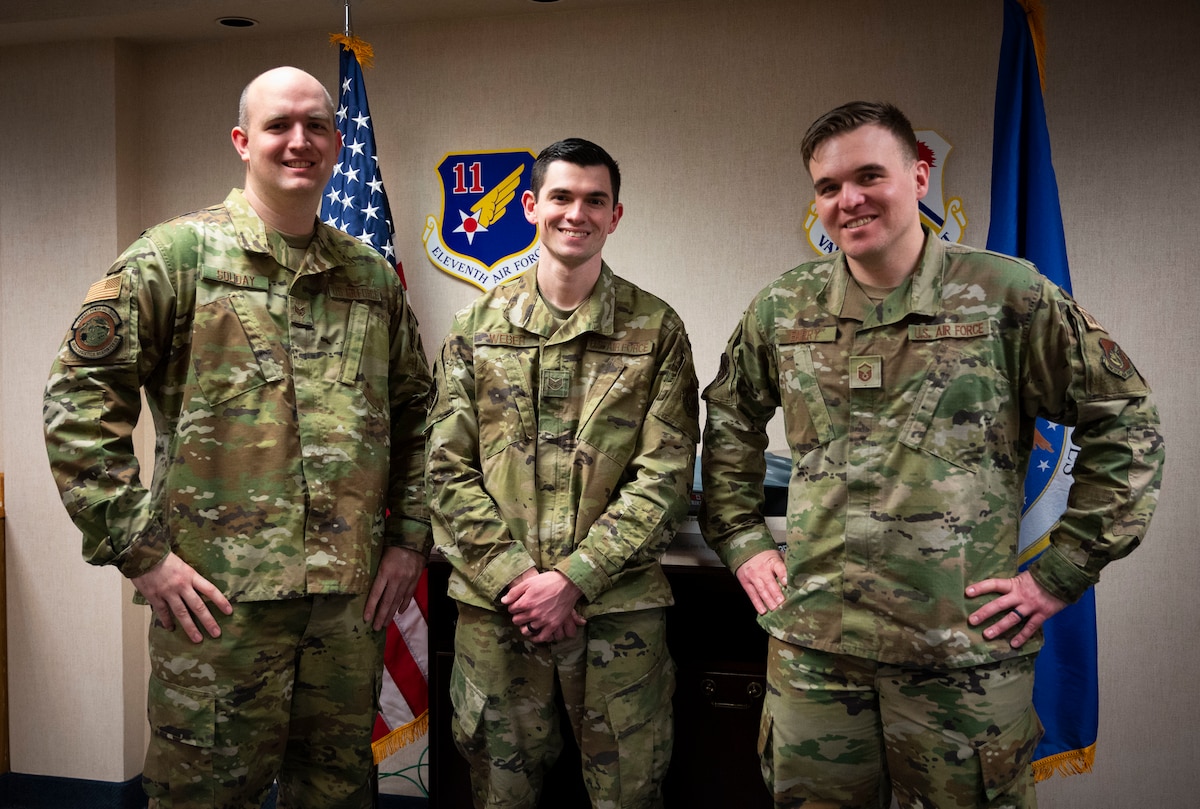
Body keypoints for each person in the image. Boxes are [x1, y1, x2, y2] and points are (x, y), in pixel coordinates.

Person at [700, 101, 1164, 808]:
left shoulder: (1007, 296)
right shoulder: (783, 308)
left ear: (918, 174)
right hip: (817, 655)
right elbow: (730, 412)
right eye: (828, 187)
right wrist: (740, 536)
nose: (848, 199)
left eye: (868, 175)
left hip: (962, 661)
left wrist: (1061, 571)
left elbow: (1126, 420)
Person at [42, 66, 432, 808]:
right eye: (280, 125)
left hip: (345, 609)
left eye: (316, 125)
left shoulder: (371, 280)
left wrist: (410, 536)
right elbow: (77, 403)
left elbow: (419, 412)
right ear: (242, 140)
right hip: (218, 611)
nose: (299, 140)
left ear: (337, 142)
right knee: (202, 799)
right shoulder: (176, 258)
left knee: (338, 793)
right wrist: (141, 550)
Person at [426, 137, 699, 808]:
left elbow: (664, 477)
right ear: (531, 206)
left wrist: (574, 579)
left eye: (594, 200)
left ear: (616, 215)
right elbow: (445, 468)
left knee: (627, 793)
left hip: (616, 617)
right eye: (562, 197)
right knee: (502, 791)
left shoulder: (655, 329)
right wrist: (520, 579)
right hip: (499, 613)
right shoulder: (476, 327)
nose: (577, 212)